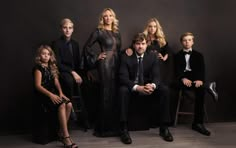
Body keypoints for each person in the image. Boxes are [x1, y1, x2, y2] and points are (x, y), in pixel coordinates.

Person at [119, 33, 174, 144]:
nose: (140, 46)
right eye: (138, 44)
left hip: (148, 85)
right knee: (122, 90)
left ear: (146, 44)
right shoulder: (126, 56)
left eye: (143, 44)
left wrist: (152, 85)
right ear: (133, 45)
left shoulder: (152, 56)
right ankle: (124, 129)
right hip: (133, 85)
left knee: (165, 89)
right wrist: (137, 87)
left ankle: (164, 128)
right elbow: (122, 77)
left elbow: (157, 76)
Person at [83, 8, 122, 137]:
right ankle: (104, 128)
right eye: (105, 16)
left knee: (115, 93)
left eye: (110, 15)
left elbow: (118, 50)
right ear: (102, 18)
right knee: (106, 93)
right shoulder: (98, 31)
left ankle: (114, 127)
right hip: (105, 64)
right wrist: (96, 57)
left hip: (117, 64)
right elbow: (87, 47)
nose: (108, 18)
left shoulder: (117, 32)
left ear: (113, 17)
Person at [33, 45, 78, 148]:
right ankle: (66, 137)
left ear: (50, 56)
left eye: (48, 54)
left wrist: (61, 93)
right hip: (43, 94)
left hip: (53, 92)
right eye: (43, 54)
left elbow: (56, 82)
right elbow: (37, 86)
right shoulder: (38, 68)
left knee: (69, 104)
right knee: (61, 105)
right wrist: (51, 95)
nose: (46, 56)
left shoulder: (51, 67)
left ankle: (61, 132)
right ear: (39, 55)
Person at [174, 32, 217, 136]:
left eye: (189, 40)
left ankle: (198, 123)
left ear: (192, 42)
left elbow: (201, 70)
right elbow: (177, 70)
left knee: (200, 90)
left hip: (194, 79)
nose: (187, 42)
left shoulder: (198, 55)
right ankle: (209, 86)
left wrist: (200, 80)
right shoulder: (177, 55)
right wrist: (183, 78)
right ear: (181, 42)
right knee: (175, 84)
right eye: (184, 40)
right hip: (183, 80)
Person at [126, 18, 173, 85]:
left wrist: (165, 56)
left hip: (158, 63)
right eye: (150, 26)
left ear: (157, 28)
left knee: (157, 82)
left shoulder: (160, 38)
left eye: (154, 26)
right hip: (146, 63)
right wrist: (130, 49)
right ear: (147, 27)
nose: (152, 28)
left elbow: (168, 49)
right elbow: (134, 45)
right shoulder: (143, 36)